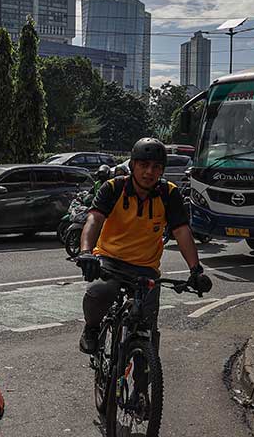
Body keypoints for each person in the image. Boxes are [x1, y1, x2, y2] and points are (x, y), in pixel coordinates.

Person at [75, 138, 209, 355]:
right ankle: (91, 329)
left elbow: (182, 232)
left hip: (145, 269)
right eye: (143, 165)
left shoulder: (169, 193)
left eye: (156, 167)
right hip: (109, 261)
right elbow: (94, 220)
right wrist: (86, 252)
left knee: (147, 327)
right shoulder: (113, 188)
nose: (149, 172)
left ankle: (143, 382)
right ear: (132, 165)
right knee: (98, 292)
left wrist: (195, 270)